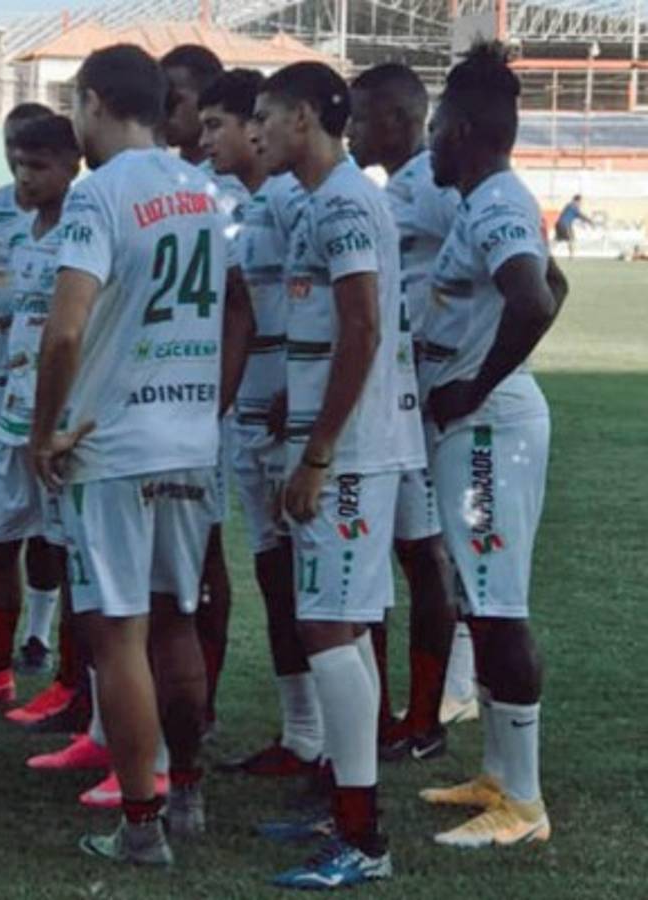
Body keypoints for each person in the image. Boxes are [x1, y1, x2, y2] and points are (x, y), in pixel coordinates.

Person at [30, 44, 252, 866]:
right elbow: (238, 310)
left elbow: (63, 329)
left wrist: (42, 428)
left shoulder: (97, 194)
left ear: (93, 102)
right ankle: (185, 790)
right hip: (191, 441)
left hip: (112, 444)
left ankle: (138, 825)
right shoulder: (204, 190)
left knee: (117, 635)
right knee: (178, 623)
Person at [255, 62, 426, 889]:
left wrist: (320, 451)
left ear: (302, 117)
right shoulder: (320, 203)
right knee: (341, 628)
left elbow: (360, 326)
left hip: (352, 452)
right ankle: (342, 807)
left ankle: (363, 838)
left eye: (266, 116)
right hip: (336, 445)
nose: (257, 132)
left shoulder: (347, 203)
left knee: (326, 628)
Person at [418, 41, 565, 849]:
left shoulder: (496, 200)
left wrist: (474, 387)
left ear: (464, 129)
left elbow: (533, 299)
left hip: (486, 433)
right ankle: (499, 776)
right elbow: (557, 286)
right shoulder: (485, 201)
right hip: (478, 427)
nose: (430, 140)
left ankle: (524, 804)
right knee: (482, 600)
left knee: (498, 609)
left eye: (437, 126)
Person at [197, 69, 325, 779]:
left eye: (216, 124)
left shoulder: (287, 202)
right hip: (251, 425)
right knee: (276, 577)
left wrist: (292, 397)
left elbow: (332, 311)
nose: (205, 138)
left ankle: (330, 743)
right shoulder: (244, 208)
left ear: (255, 126)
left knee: (312, 584)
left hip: (287, 427)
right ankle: (301, 734)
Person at [346, 63, 462, 761]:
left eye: (360, 118)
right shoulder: (391, 192)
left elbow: (523, 281)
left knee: (421, 555)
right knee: (390, 552)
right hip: (393, 398)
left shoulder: (438, 192)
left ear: (395, 120)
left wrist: (462, 365)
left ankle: (422, 717)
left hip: (418, 405)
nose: (352, 129)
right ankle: (395, 712)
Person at [0, 115, 80, 712]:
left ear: (72, 165)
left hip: (60, 425)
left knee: (65, 552)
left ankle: (69, 680)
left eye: (39, 165)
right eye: (18, 163)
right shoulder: (21, 232)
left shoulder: (84, 231)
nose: (26, 177)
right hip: (13, 416)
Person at [161, 45, 240, 732]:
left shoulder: (225, 194)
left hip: (202, 408)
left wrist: (214, 401)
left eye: (178, 97)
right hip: (156, 406)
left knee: (200, 556)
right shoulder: (164, 180)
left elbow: (238, 305)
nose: (168, 109)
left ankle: (199, 707)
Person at [553, 194, 593, 258]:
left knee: (557, 239)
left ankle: (547, 254)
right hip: (565, 225)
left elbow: (576, 216)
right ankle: (571, 256)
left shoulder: (568, 205)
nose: (581, 204)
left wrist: (584, 222)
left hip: (559, 224)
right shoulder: (573, 206)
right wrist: (590, 221)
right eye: (580, 202)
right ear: (577, 201)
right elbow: (581, 215)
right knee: (571, 239)